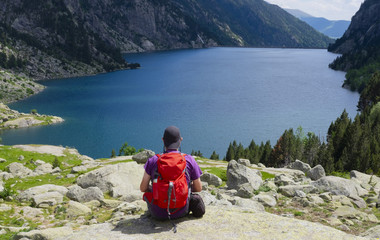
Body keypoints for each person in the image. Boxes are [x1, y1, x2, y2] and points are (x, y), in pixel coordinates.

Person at [140, 126, 205, 220]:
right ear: (180, 140)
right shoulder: (189, 160)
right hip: (182, 211)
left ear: (163, 140)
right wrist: (183, 188)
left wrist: (156, 189)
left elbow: (143, 188)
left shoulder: (153, 160)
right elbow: (198, 188)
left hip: (157, 213)